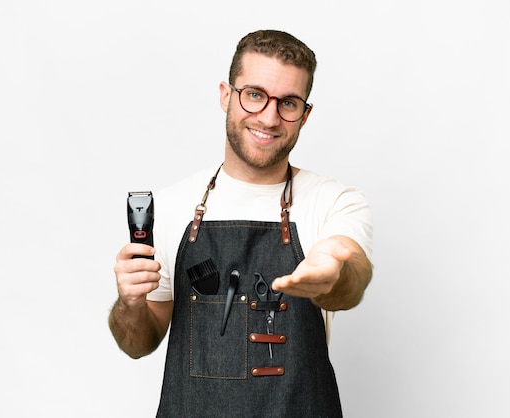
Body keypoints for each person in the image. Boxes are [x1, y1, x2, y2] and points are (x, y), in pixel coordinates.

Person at [108, 29, 373, 417]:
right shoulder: (172, 206)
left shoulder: (333, 201)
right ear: (225, 95)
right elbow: (138, 343)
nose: (269, 117)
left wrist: (335, 272)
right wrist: (130, 302)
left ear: (305, 114)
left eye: (288, 102)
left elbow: (351, 276)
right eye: (254, 94)